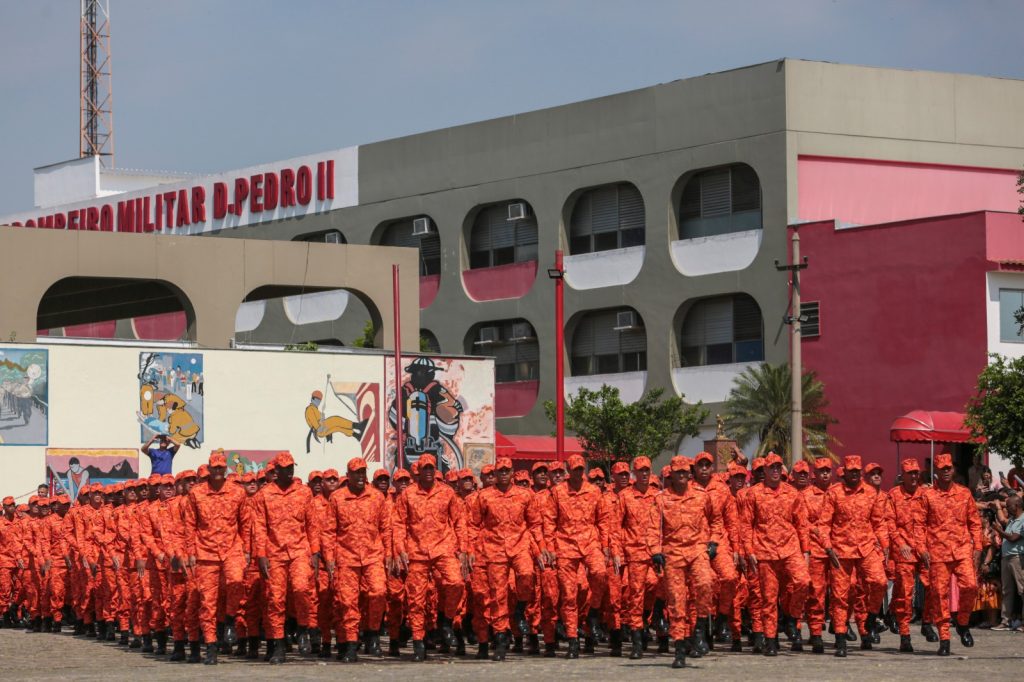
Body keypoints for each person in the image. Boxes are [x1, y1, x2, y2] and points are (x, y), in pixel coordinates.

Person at [392, 453, 469, 662]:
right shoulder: (408, 494)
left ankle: (446, 619)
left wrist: (463, 548)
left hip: (443, 548)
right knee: (416, 599)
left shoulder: (447, 493)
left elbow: (459, 520)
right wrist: (400, 550)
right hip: (416, 551)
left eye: (431, 468)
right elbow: (398, 524)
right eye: (424, 468)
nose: (427, 471)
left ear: (435, 470)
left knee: (455, 583)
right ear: (418, 470)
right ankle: (418, 641)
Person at [469, 457, 545, 661]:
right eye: (499, 470)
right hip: (494, 549)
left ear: (512, 473)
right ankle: (501, 637)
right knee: (498, 595)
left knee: (527, 576)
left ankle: (520, 609)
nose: (503, 473)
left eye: (507, 470)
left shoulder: (525, 495)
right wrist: (471, 550)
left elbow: (535, 523)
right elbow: (474, 525)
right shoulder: (484, 496)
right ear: (494, 473)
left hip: (520, 545)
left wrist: (542, 547)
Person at [647, 455, 719, 669]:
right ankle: (679, 647)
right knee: (677, 603)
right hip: (673, 552)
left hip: (697, 549)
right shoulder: (661, 499)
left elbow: (716, 520)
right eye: (677, 473)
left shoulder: (701, 496)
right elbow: (653, 529)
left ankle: (699, 628)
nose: (681, 476)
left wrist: (714, 541)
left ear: (690, 474)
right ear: (671, 474)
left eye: (685, 472)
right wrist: (655, 551)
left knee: (706, 583)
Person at [542, 454, 616, 659]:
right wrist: (549, 546)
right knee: (568, 595)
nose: (577, 473)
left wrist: (605, 544)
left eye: (580, 469)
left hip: (590, 542)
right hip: (565, 545)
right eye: (574, 469)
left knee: (601, 574)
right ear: (568, 470)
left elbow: (603, 519)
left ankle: (593, 612)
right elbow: (549, 521)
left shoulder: (593, 491)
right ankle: (573, 639)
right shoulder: (557, 492)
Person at [816, 455, 889, 657]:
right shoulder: (834, 493)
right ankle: (840, 638)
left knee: (879, 582)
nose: (855, 474)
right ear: (845, 472)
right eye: (852, 471)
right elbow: (823, 524)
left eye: (858, 470)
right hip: (841, 551)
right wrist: (828, 547)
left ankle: (872, 617)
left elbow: (879, 522)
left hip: (866, 547)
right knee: (840, 596)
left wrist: (885, 545)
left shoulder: (870, 493)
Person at [183, 450, 252, 665]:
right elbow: (190, 526)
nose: (219, 471)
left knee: (236, 582)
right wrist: (191, 552)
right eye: (215, 468)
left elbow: (246, 523)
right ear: (209, 469)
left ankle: (230, 619)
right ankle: (211, 646)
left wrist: (247, 550)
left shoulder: (237, 492)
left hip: (232, 549)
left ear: (226, 469)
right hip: (206, 552)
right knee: (208, 602)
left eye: (222, 467)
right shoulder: (196, 493)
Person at [252, 451, 320, 664]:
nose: (290, 471)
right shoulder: (263, 495)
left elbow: (312, 524)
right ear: (276, 471)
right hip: (274, 553)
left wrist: (315, 552)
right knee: (275, 599)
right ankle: (278, 644)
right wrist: (261, 554)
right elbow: (260, 528)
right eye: (285, 468)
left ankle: (302, 628)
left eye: (292, 467)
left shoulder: (304, 493)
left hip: (300, 550)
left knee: (302, 589)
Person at [321, 457, 391, 662]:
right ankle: (351, 643)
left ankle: (373, 634)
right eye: (356, 473)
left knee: (378, 592)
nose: (361, 476)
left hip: (373, 555)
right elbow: (328, 531)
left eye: (363, 472)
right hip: (346, 556)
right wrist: (330, 557)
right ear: (348, 475)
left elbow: (386, 528)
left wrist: (389, 553)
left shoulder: (377, 497)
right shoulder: (337, 498)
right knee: (347, 601)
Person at [742, 452, 810, 655]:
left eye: (778, 467)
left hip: (790, 548)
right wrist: (749, 550)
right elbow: (745, 525)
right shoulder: (753, 494)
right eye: (771, 467)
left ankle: (791, 616)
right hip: (765, 551)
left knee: (803, 582)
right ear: (764, 470)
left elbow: (802, 524)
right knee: (769, 599)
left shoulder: (792, 493)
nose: (774, 471)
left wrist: (805, 550)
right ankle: (770, 640)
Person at [916, 452, 982, 656]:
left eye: (949, 468)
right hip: (937, 552)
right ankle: (944, 638)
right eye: (942, 468)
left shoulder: (964, 494)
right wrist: (921, 548)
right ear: (936, 471)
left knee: (970, 586)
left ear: (953, 470)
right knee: (939, 595)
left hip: (961, 549)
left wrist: (978, 547)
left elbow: (975, 522)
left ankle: (962, 623)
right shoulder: (927, 495)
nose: (946, 471)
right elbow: (918, 524)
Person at [992, 494, 1023, 631]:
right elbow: (1003, 520)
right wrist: (997, 509)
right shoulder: (1011, 519)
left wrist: (999, 531)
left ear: (1017, 506)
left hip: (1017, 557)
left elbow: (1013, 537)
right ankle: (1006, 620)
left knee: (1022, 590)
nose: (1007, 508)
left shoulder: (1022, 520)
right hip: (1006, 557)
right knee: (1007, 591)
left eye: (1009, 505)